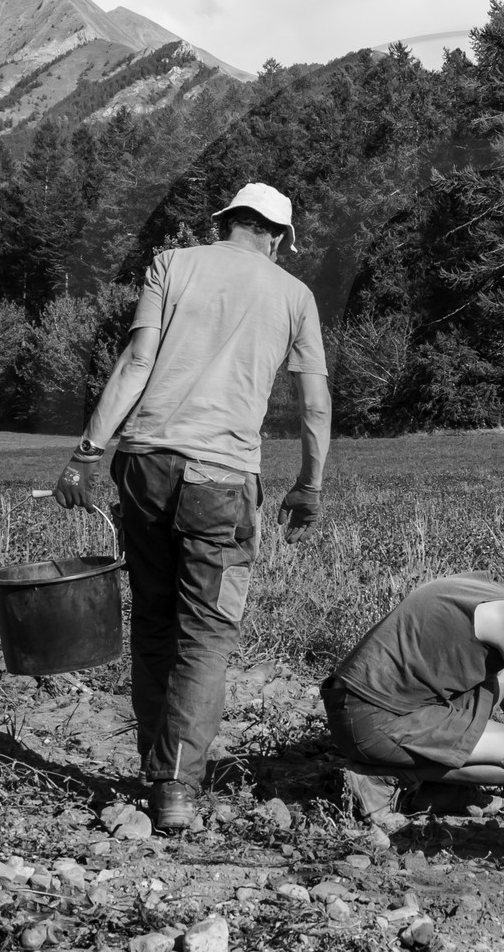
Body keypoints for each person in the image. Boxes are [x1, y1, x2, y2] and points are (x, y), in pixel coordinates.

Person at [53, 181, 332, 833]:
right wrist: (310, 484)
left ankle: (156, 770)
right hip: (222, 479)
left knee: (152, 619)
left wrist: (87, 453)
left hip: (144, 466)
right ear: (278, 237)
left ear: (228, 221)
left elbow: (137, 361)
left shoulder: (171, 264)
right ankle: (175, 785)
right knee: (204, 633)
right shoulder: (294, 296)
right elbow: (314, 404)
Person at [323, 547, 504, 823]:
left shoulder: (485, 591)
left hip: (355, 708)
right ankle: (386, 777)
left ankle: (437, 788)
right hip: (371, 721)